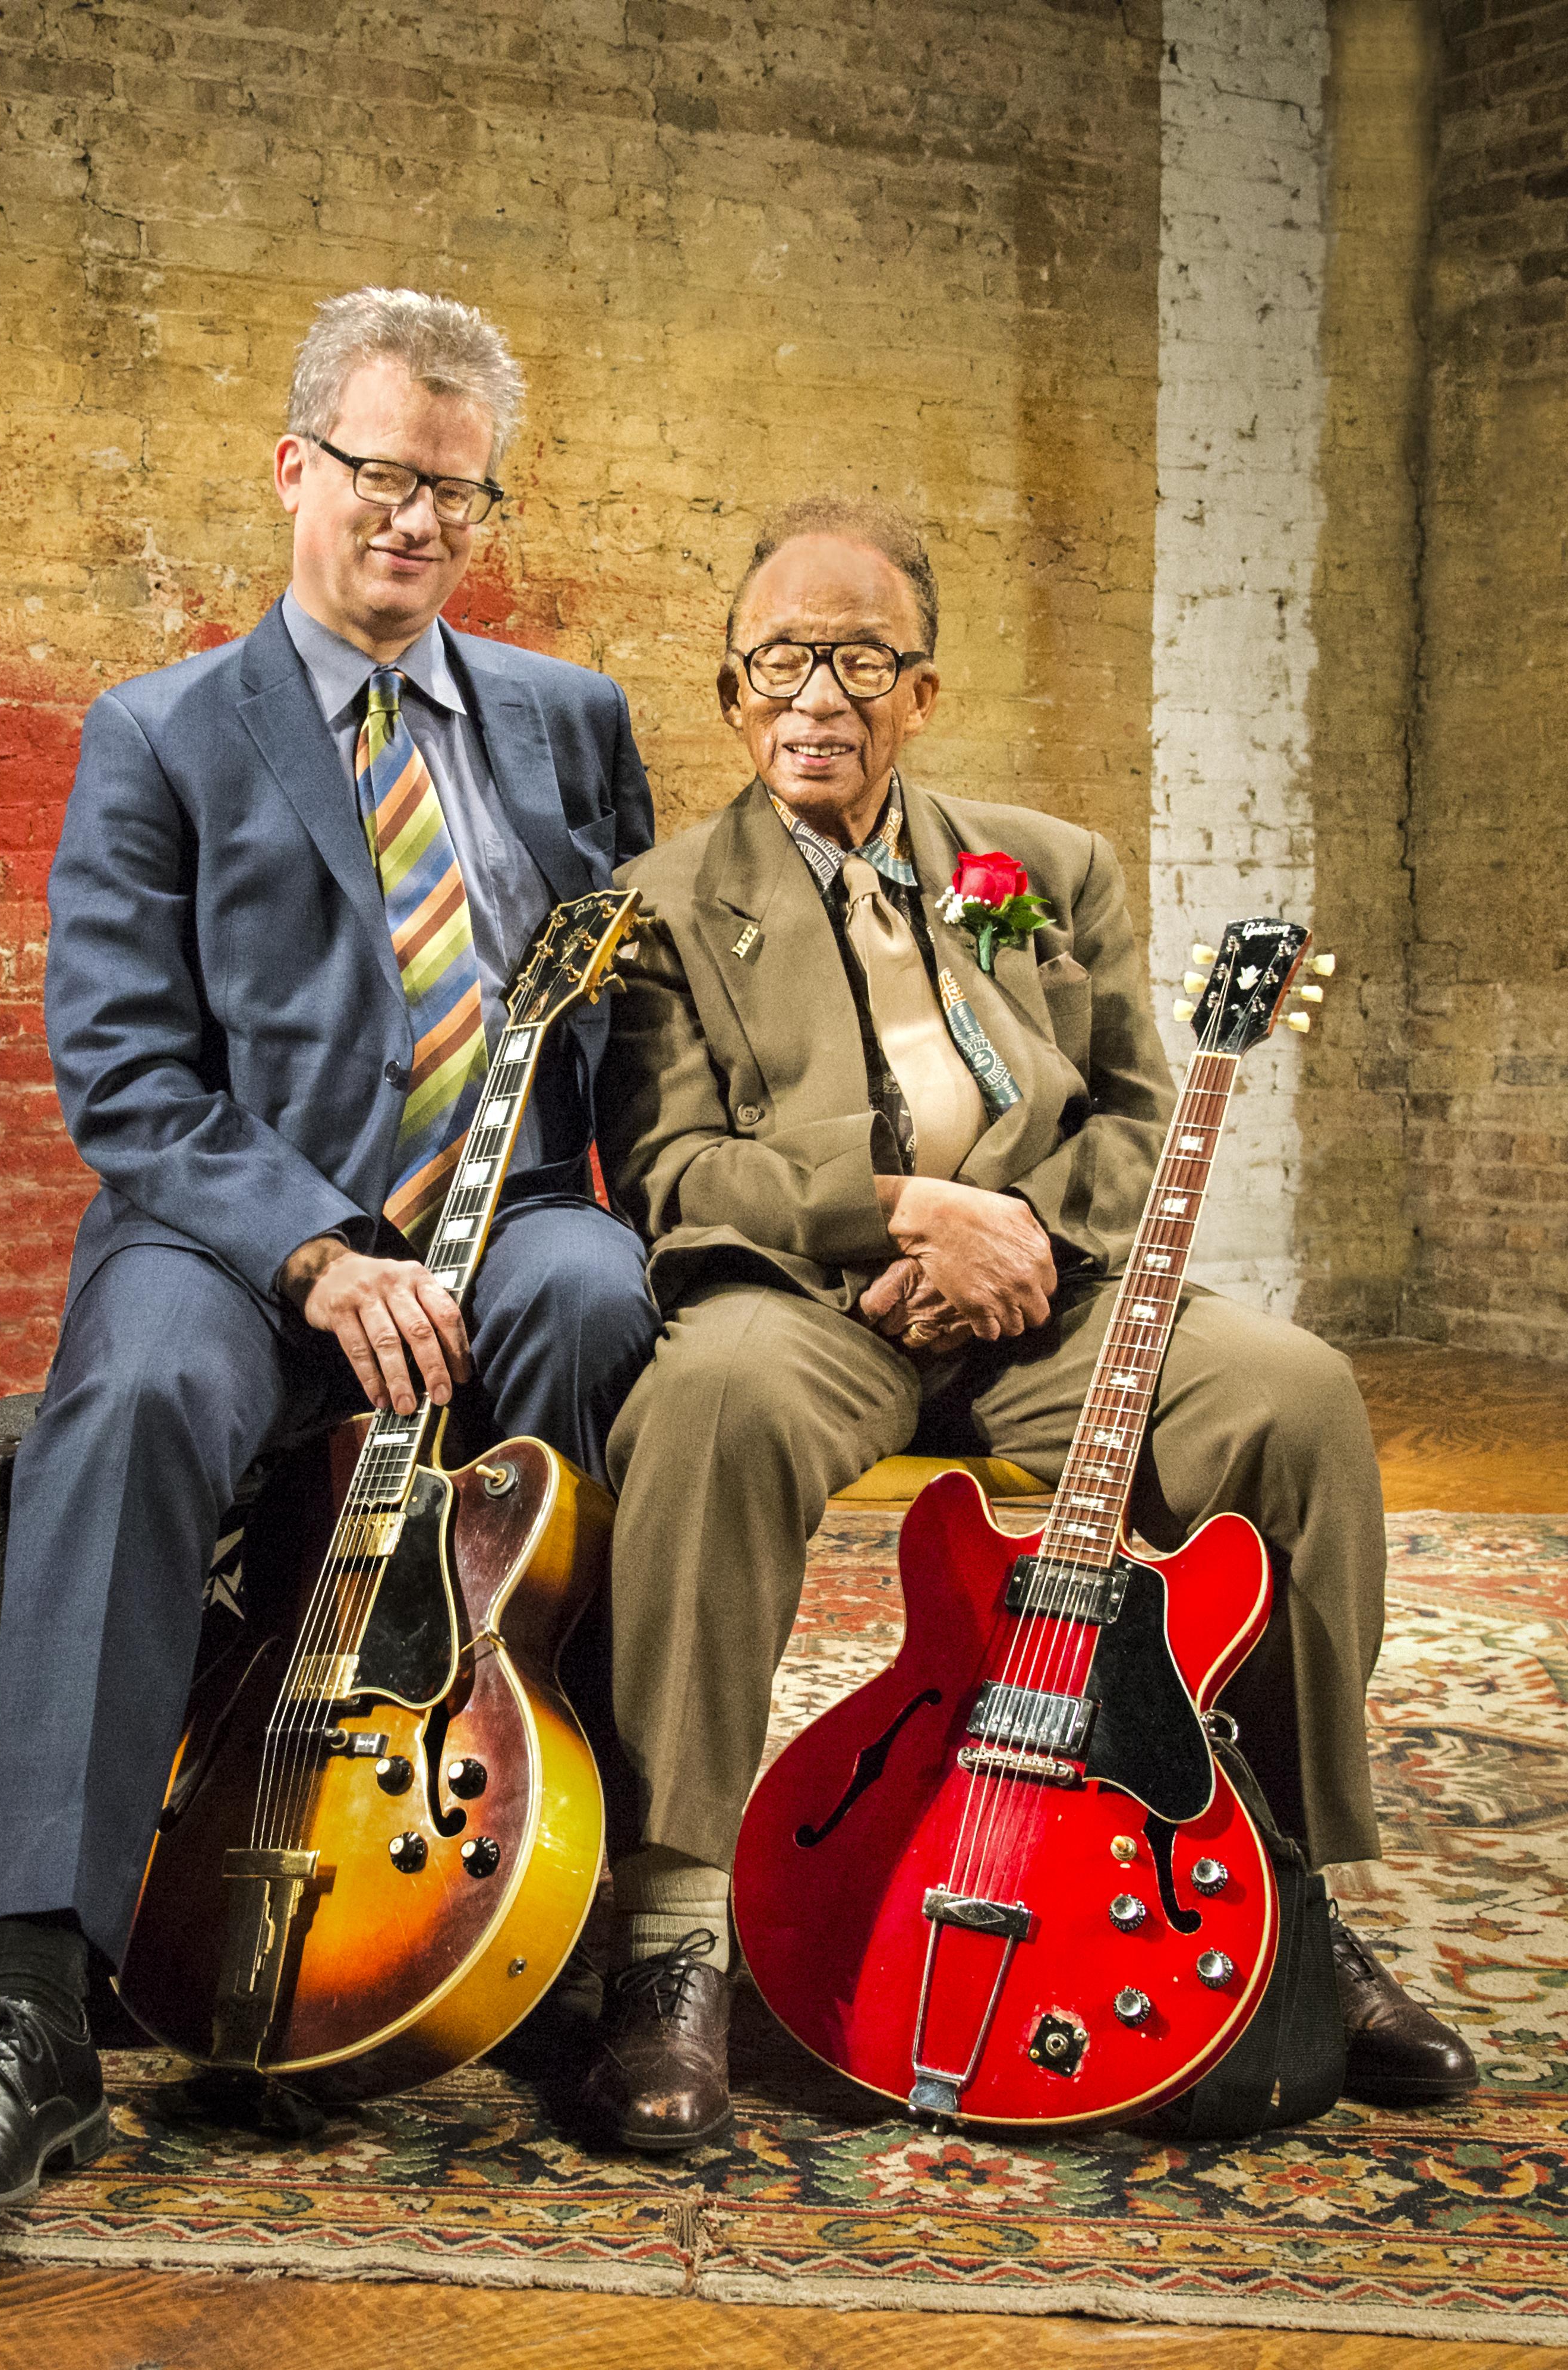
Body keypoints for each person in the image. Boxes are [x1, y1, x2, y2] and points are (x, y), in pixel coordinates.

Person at [0, 288, 662, 2224]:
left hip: (514, 1214)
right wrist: (310, 1250)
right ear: (298, 464)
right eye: (387, 474)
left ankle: (574, 1900)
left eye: (460, 495)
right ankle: (35, 2002)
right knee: (125, 1396)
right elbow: (125, 1072)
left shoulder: (570, 724)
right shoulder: (157, 733)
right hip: (231, 1234)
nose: (421, 522)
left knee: (611, 1307)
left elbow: (644, 1029)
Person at [578, 495, 1476, 2150]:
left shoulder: (1050, 871)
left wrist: (1030, 1240)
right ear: (728, 691)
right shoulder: (660, 906)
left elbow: (1141, 1114)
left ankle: (1301, 1907)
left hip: (1047, 1304)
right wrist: (908, 1214)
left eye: (858, 658)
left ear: (921, 691)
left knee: (1294, 1394)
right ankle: (671, 1938)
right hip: (816, 1301)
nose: (816, 697)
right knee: (705, 1407)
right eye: (779, 660)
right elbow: (676, 1170)